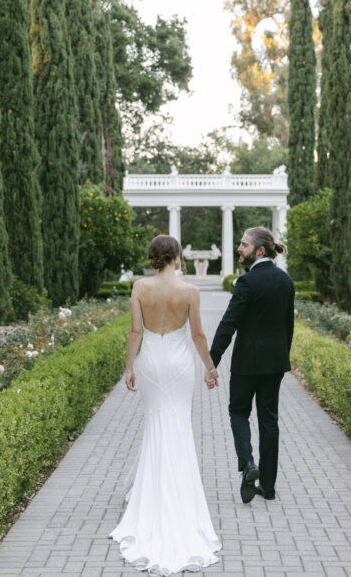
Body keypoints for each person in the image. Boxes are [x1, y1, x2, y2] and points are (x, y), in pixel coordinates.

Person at [110, 235, 222, 575]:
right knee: (178, 423)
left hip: (151, 363)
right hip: (178, 365)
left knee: (155, 422)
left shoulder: (140, 288)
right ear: (176, 257)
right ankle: (180, 494)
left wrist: (129, 367)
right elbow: (198, 336)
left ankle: (151, 493)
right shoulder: (189, 291)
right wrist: (210, 367)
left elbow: (134, 332)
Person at [209, 227, 295, 503]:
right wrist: (282, 357)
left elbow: (228, 324)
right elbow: (288, 328)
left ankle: (248, 465)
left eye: (244, 245)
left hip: (246, 363)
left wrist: (211, 361)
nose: (239, 249)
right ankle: (268, 488)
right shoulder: (285, 281)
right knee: (269, 421)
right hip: (274, 364)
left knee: (238, 412)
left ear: (259, 250)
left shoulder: (246, 283)